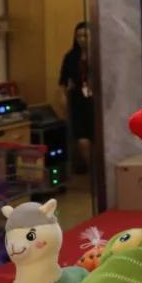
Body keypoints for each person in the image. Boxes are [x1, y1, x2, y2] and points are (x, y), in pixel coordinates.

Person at [59, 22, 93, 174]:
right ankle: (92, 170)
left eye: (85, 35)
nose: (82, 39)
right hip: (78, 100)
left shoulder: (98, 54)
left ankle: (100, 172)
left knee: (97, 138)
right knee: (82, 139)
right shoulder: (70, 57)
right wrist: (64, 97)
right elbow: (63, 81)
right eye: (78, 36)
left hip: (95, 101)